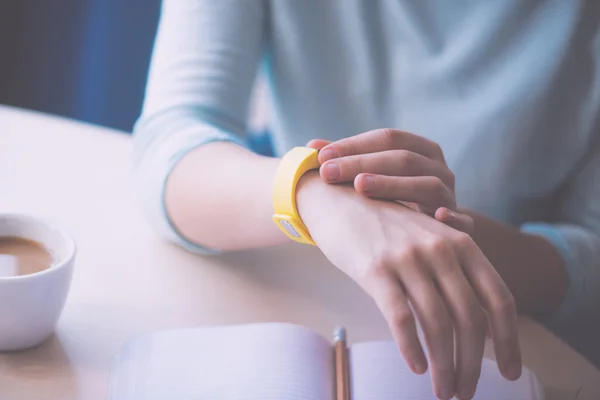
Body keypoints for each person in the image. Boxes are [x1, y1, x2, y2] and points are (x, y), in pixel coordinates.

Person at [133, 1, 600, 399]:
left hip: (518, 341)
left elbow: (591, 250)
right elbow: (171, 140)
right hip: (311, 295)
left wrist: (450, 242)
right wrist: (314, 196)